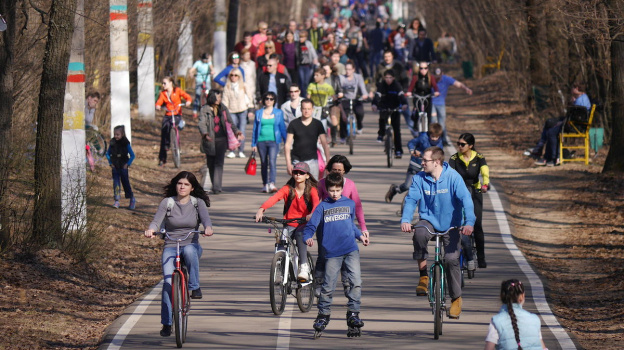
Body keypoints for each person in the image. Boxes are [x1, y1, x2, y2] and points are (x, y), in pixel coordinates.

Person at [400, 146, 475, 319]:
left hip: (451, 225)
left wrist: (468, 223)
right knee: (419, 233)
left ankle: (456, 299)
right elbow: (411, 200)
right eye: (422, 160)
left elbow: (466, 201)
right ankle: (423, 276)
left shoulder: (453, 177)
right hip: (429, 222)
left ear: (437, 162)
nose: (422, 163)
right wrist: (405, 220)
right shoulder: (419, 178)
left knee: (451, 260)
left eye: (425, 160)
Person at [144, 171, 213, 337]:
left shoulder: (198, 203)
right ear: (176, 185)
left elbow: (206, 221)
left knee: (189, 250)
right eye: (180, 183)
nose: (182, 187)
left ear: (192, 188)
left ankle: (194, 287)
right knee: (168, 284)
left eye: (186, 184)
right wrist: (151, 229)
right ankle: (167, 323)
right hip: (170, 246)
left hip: (191, 244)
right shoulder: (167, 203)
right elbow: (156, 221)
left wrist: (208, 229)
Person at [304, 172, 370, 335]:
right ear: (326, 190)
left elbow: (351, 225)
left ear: (342, 189)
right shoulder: (322, 207)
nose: (335, 193)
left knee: (355, 282)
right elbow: (311, 225)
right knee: (328, 286)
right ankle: (323, 314)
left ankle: (353, 313)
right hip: (332, 252)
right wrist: (308, 237)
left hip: (350, 249)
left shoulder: (349, 203)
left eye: (338, 190)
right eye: (332, 190)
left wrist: (360, 235)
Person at [255, 162, 320, 281]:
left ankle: (304, 267)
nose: (298, 175)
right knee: (281, 244)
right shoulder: (287, 189)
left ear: (307, 176)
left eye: (301, 173)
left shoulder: (312, 190)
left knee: (300, 236)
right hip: (289, 223)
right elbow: (274, 198)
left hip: (303, 224)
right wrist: (262, 209)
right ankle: (281, 266)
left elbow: (316, 203)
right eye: (295, 172)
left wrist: (311, 214)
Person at [448, 133, 490, 269]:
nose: (459, 146)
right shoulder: (454, 158)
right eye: (458, 144)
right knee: (458, 223)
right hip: (459, 193)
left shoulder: (479, 158)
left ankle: (481, 257)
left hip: (475, 192)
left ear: (470, 146)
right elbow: (450, 174)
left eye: (462, 144)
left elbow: (485, 171)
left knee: (477, 224)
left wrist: (485, 184)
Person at [530, 82, 592, 166]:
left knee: (551, 132)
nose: (571, 90)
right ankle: (543, 154)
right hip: (574, 124)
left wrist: (571, 104)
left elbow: (576, 115)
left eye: (573, 88)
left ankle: (552, 158)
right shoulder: (581, 98)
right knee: (549, 123)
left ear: (577, 88)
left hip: (575, 126)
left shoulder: (581, 100)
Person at [198, 89, 244, 194]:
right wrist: (205, 134)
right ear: (212, 97)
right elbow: (202, 123)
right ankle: (215, 184)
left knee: (219, 163)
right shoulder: (204, 109)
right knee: (211, 163)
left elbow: (230, 121)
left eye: (220, 97)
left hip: (221, 140)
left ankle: (217, 187)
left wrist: (236, 132)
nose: (219, 99)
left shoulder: (223, 108)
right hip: (209, 140)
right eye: (217, 97)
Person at [385, 123, 444, 203]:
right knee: (407, 186)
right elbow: (411, 143)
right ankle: (395, 189)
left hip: (427, 168)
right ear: (429, 134)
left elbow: (438, 156)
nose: (434, 139)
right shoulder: (423, 137)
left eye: (436, 137)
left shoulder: (440, 144)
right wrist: (412, 150)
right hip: (415, 164)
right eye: (432, 136)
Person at [485, 279, 547, 350]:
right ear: (522, 296)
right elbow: (542, 346)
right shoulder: (534, 319)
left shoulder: (497, 321)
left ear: (501, 297)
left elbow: (488, 348)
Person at [284, 99, 331, 180]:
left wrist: (328, 162)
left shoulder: (317, 124)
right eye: (304, 109)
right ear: (301, 109)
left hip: (313, 161)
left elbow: (324, 144)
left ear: (312, 109)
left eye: (309, 109)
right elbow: (287, 145)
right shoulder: (294, 124)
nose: (306, 111)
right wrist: (288, 163)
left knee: (313, 187)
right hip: (297, 160)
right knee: (298, 187)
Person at [251, 92, 288, 193]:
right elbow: (255, 129)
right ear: (264, 100)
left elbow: (282, 128)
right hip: (261, 141)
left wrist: (286, 142)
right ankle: (265, 184)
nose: (269, 101)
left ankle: (272, 183)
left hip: (274, 141)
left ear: (274, 101)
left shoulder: (278, 112)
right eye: (267, 98)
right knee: (263, 163)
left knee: (272, 161)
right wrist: (253, 144)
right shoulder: (259, 113)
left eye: (271, 99)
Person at [155, 76, 192, 167]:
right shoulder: (163, 94)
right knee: (165, 130)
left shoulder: (177, 90)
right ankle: (162, 159)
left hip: (177, 114)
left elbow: (187, 97)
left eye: (165, 83)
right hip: (168, 114)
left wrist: (188, 102)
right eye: (162, 83)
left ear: (170, 83)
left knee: (176, 124)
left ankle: (176, 138)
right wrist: (158, 106)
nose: (163, 85)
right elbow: (159, 102)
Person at [371, 69, 408, 158]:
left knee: (397, 130)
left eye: (390, 78)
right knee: (382, 119)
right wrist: (374, 104)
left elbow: (401, 96)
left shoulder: (397, 85)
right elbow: (377, 96)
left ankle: (398, 150)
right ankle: (381, 133)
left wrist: (404, 104)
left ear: (393, 78)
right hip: (384, 107)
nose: (388, 80)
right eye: (386, 78)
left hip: (394, 108)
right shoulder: (381, 85)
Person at [432, 67, 472, 144]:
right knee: (433, 120)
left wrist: (466, 88)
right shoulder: (430, 79)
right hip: (431, 102)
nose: (437, 79)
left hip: (441, 103)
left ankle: (443, 139)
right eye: (436, 77)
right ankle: (433, 138)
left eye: (439, 77)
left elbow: (458, 84)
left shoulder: (446, 79)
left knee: (442, 122)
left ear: (442, 74)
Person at [222, 67, 254, 159]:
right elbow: (225, 100)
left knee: (242, 130)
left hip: (242, 110)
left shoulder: (244, 85)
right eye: (231, 75)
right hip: (231, 111)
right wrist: (224, 112)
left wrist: (251, 109)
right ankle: (232, 150)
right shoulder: (227, 86)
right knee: (232, 131)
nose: (233, 77)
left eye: (236, 75)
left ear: (239, 77)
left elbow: (250, 97)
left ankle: (241, 150)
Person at [106, 125, 135, 210]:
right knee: (116, 183)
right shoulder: (112, 143)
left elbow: (132, 155)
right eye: (115, 134)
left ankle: (131, 198)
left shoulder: (126, 143)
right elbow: (107, 154)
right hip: (115, 166)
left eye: (118, 134)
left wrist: (127, 164)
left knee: (125, 183)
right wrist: (110, 163)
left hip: (123, 166)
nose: (116, 136)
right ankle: (117, 200)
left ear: (122, 134)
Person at [339, 61, 369, 137]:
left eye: (349, 69)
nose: (347, 71)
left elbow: (362, 88)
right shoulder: (342, 77)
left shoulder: (358, 77)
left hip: (356, 99)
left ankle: (359, 125)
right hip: (345, 100)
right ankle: (343, 136)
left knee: (360, 113)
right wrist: (340, 94)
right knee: (343, 117)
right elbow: (339, 88)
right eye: (346, 69)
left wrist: (365, 95)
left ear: (353, 69)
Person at [407, 62, 439, 130]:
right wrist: (409, 92)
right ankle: (415, 124)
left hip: (427, 97)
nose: (423, 70)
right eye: (421, 68)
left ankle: (428, 131)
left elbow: (435, 86)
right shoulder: (416, 77)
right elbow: (411, 87)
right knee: (416, 111)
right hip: (418, 96)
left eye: (425, 68)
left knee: (428, 114)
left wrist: (436, 92)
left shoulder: (431, 77)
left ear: (427, 69)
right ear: (419, 69)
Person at [190, 53, 213, 118]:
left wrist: (212, 71)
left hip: (207, 80)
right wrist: (191, 73)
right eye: (204, 59)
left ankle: (210, 109)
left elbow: (212, 68)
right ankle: (195, 111)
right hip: (199, 80)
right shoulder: (198, 63)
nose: (206, 61)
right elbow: (192, 69)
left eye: (207, 59)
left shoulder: (209, 62)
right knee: (197, 95)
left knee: (209, 94)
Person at [296, 30, 319, 97]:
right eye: (300, 37)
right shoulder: (297, 44)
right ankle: (303, 95)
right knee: (302, 81)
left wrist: (315, 59)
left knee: (307, 82)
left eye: (302, 37)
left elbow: (313, 52)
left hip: (308, 65)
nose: (301, 39)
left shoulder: (308, 44)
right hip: (300, 65)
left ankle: (307, 94)